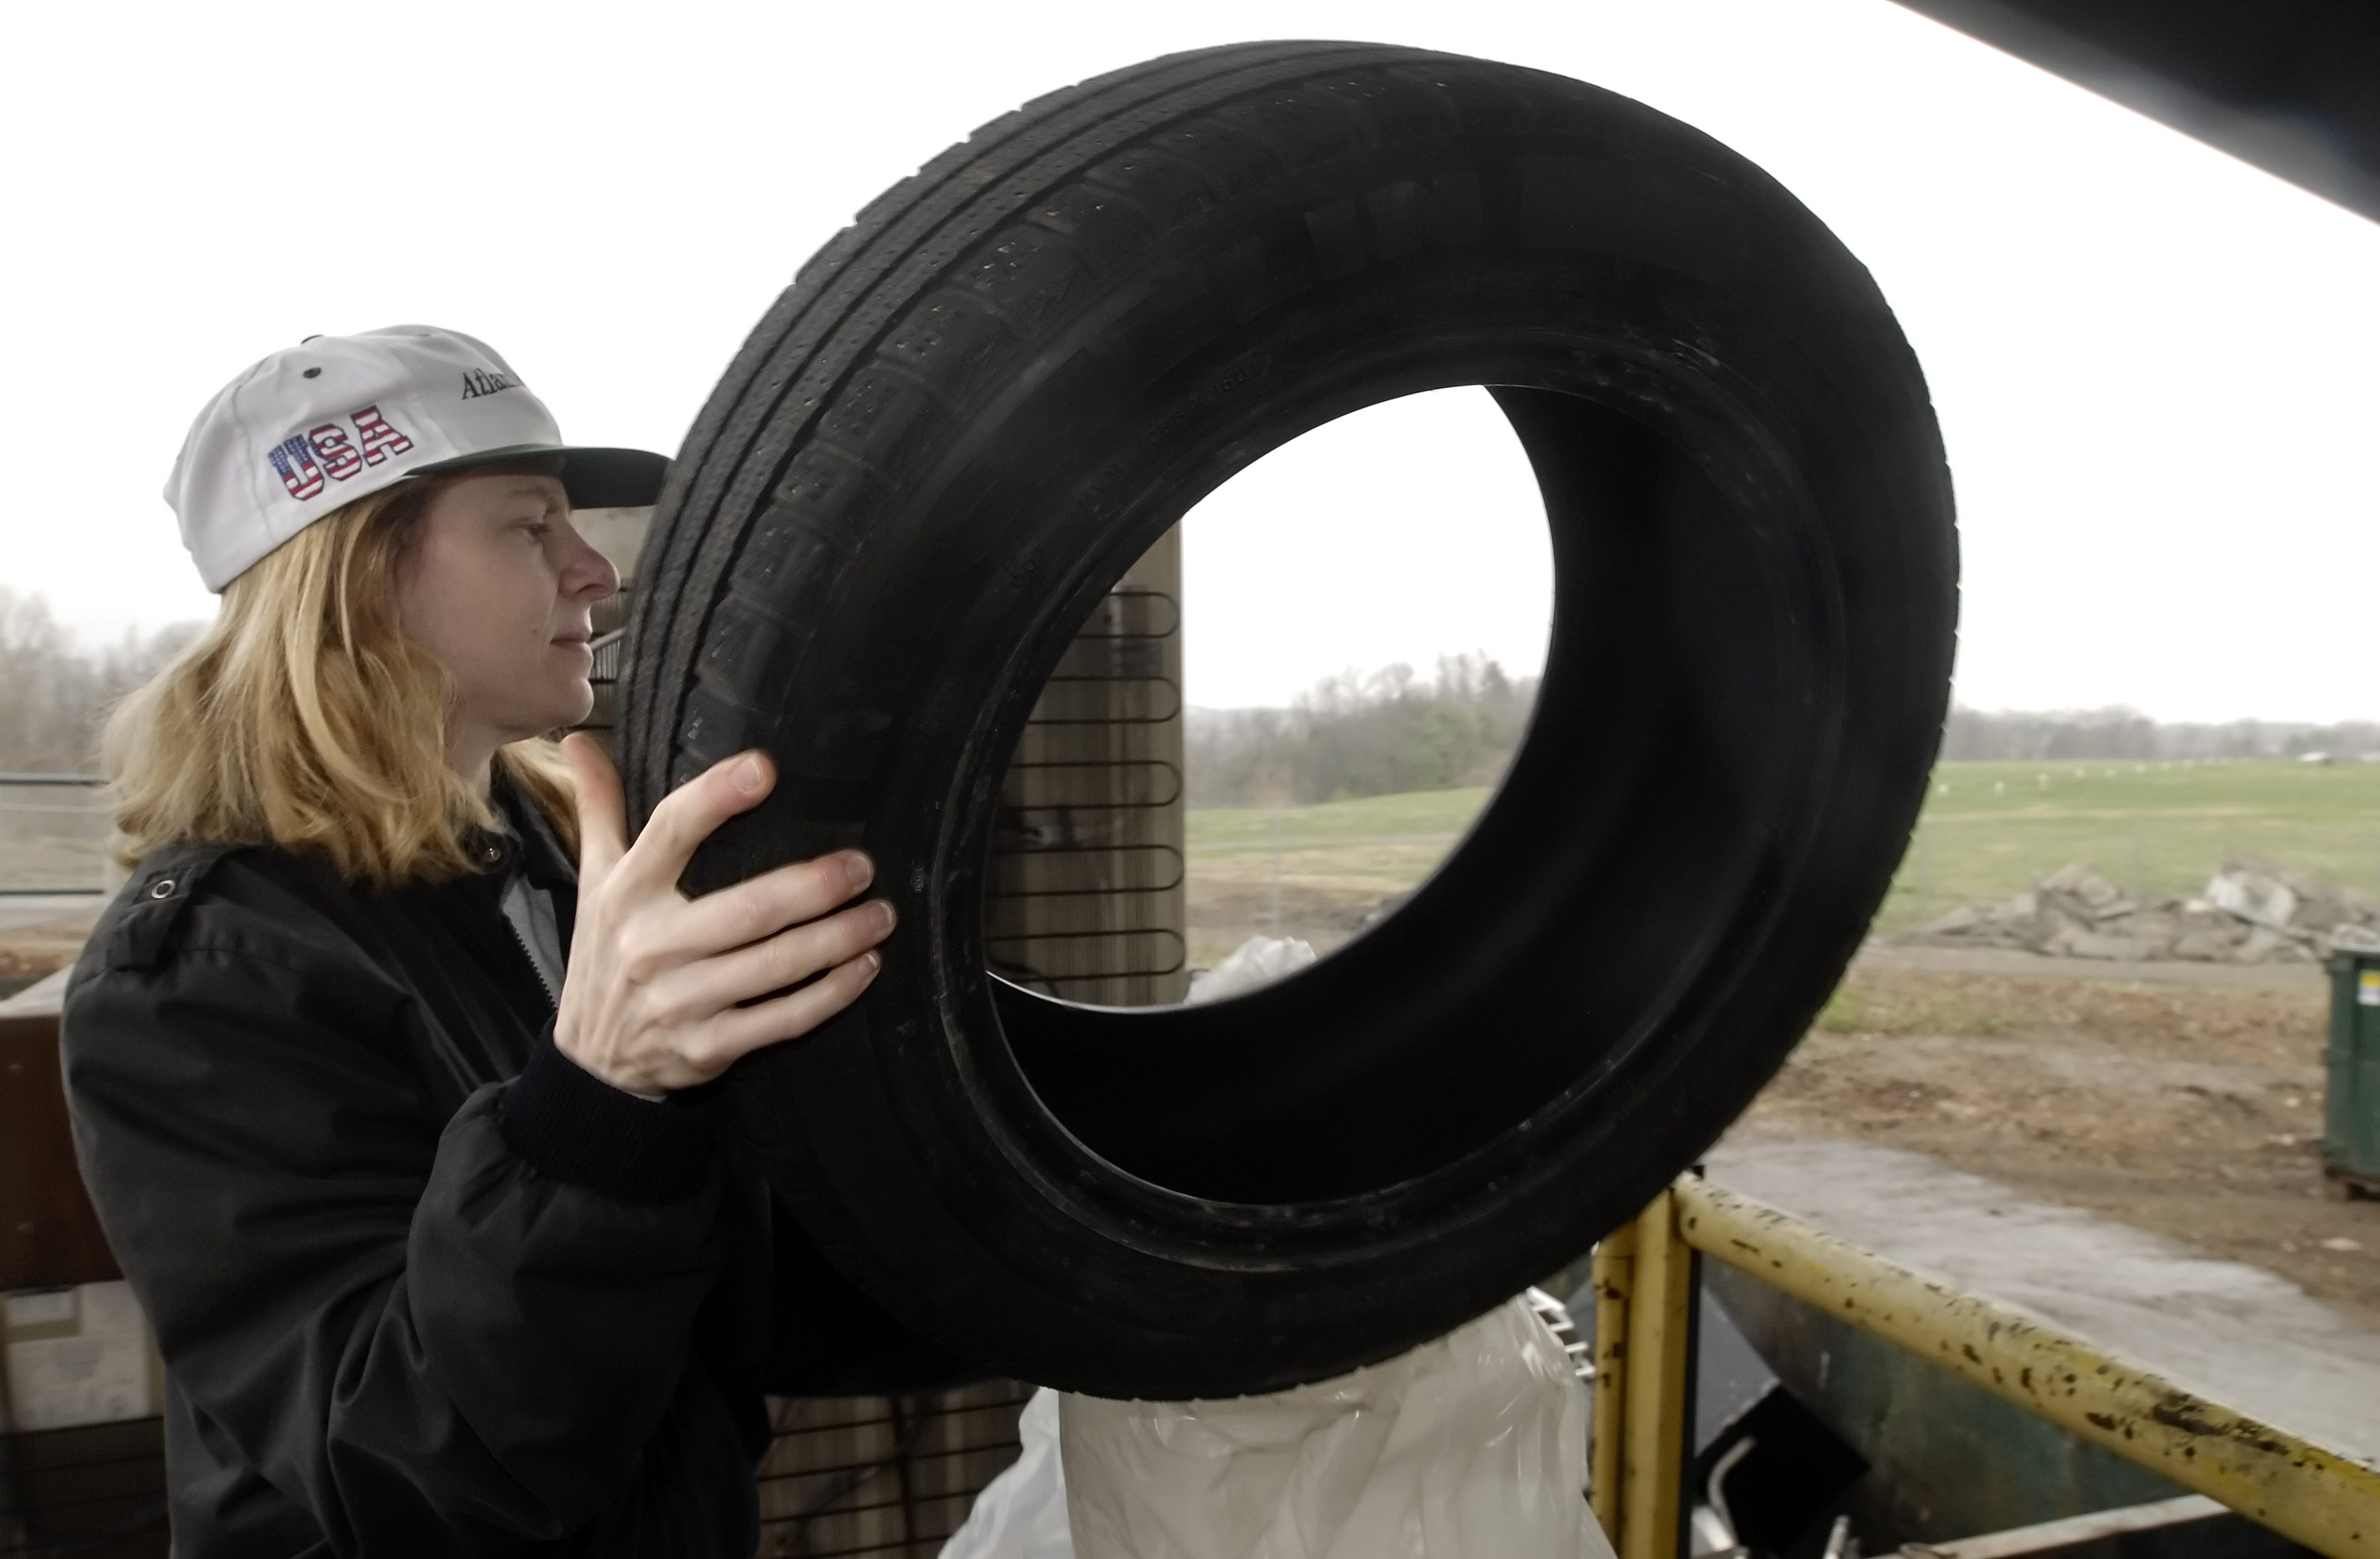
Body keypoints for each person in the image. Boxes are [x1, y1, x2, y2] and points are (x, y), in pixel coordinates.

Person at [60, 324, 970, 1556]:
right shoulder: (195, 982)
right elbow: (412, 1461)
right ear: (364, 572)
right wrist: (599, 1102)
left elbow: (721, 1301)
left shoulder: (544, 868)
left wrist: (1064, 1268)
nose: (595, 570)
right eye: (529, 526)